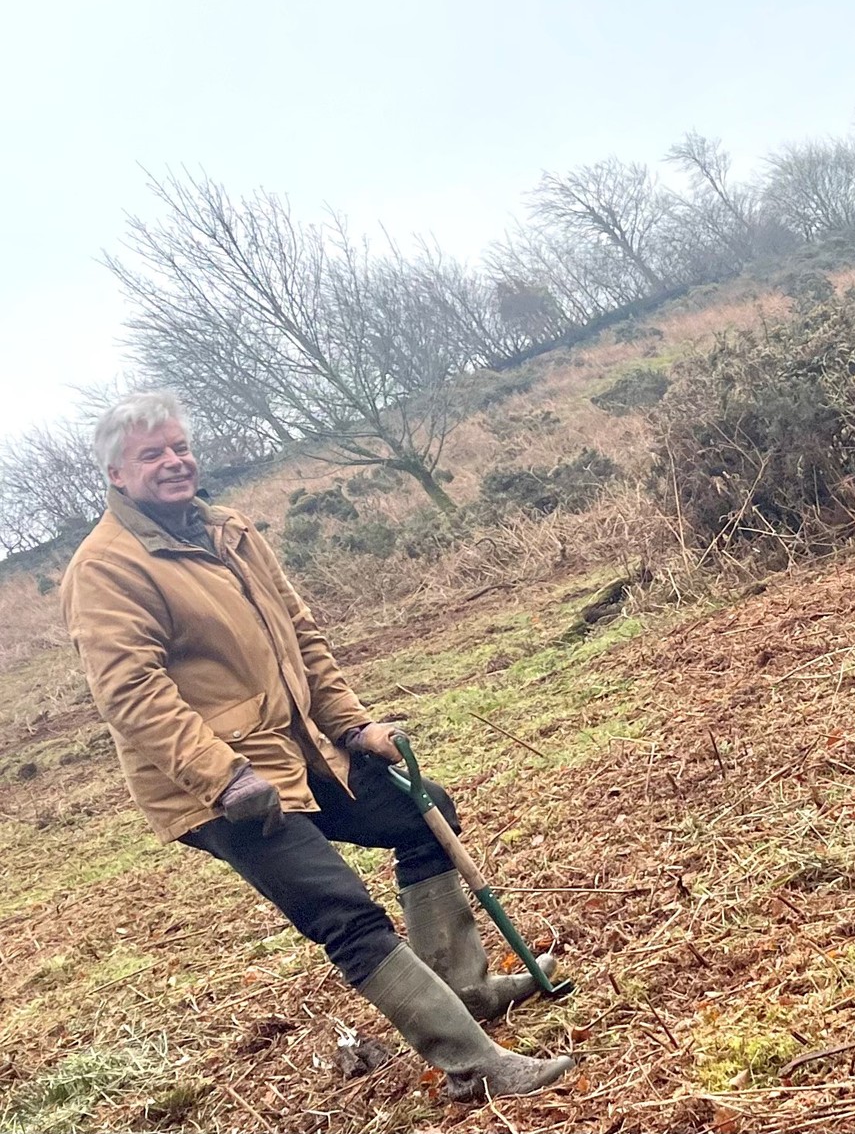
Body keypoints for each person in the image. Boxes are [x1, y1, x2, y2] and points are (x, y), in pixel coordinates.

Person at [61, 391, 573, 1102]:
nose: (174, 462)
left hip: (297, 747)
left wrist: (353, 726)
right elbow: (130, 693)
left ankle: (469, 988)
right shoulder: (106, 568)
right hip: (216, 786)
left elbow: (301, 637)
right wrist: (224, 776)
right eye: (153, 455)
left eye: (180, 447)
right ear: (117, 475)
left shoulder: (228, 530)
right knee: (342, 912)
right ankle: (469, 1061)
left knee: (424, 815)